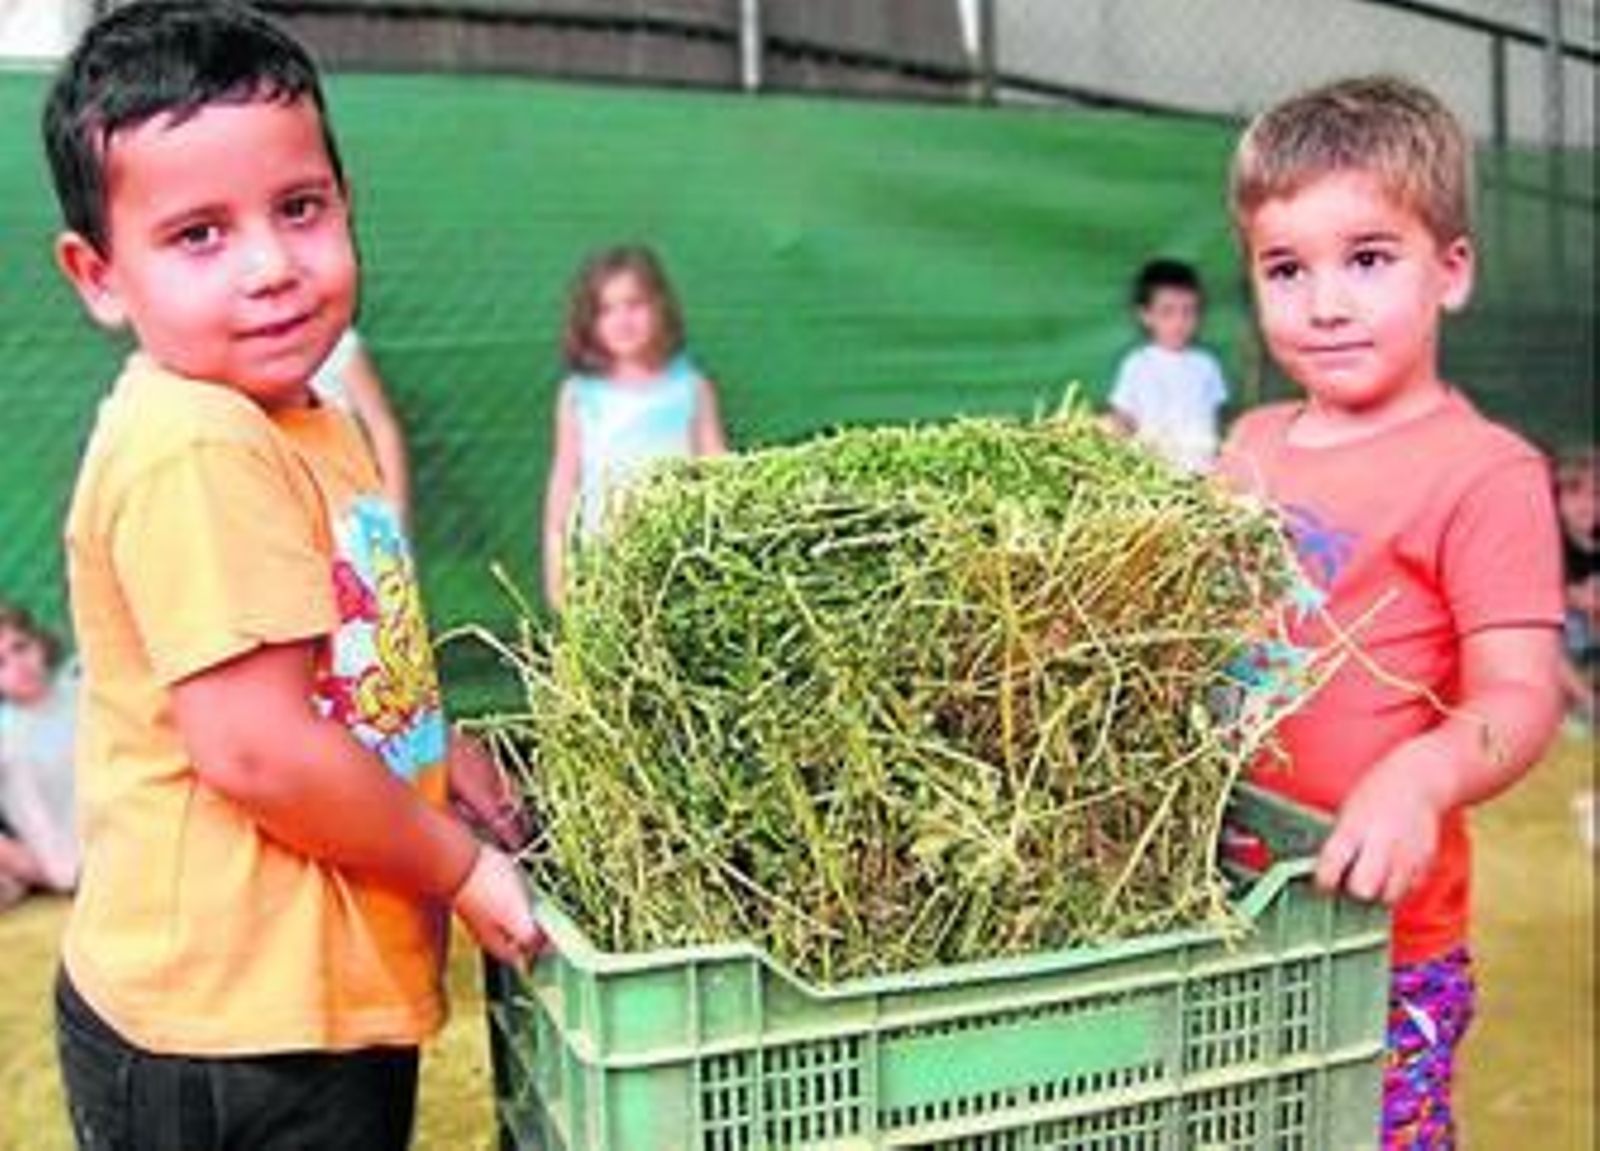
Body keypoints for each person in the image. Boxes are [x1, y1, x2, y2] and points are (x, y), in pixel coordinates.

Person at [42, 3, 539, 1146]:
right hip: (227, 1032)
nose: (271, 266)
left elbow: (337, 665)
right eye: (199, 235)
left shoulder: (306, 416)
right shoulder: (198, 443)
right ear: (100, 274)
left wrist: (431, 753)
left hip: (302, 1007)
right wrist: (459, 866)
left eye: (299, 209)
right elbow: (256, 746)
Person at [1219, 76, 1566, 1147]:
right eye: (1286, 269)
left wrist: (1420, 775)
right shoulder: (1250, 445)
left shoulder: (1483, 471)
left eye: (1367, 259)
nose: (1324, 303)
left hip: (1381, 936)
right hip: (1219, 912)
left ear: (1449, 270)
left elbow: (1521, 691)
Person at [541, 244, 728, 607]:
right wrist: (557, 572)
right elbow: (564, 483)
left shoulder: (691, 387)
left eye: (635, 304)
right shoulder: (578, 395)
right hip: (605, 564)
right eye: (606, 310)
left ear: (661, 306)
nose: (622, 320)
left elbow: (719, 467)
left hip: (680, 562)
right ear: (588, 321)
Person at [1105, 258, 1229, 474]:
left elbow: (1217, 417)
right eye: (1167, 312)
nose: (1178, 322)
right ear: (1145, 315)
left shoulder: (1206, 364)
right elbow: (1122, 417)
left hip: (1203, 468)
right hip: (1154, 470)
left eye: (1188, 311)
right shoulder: (1137, 364)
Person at [0, 602, 79, 909]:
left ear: (39, 642)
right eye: (0, 663)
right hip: (69, 869)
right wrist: (35, 868)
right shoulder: (5, 732)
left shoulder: (83, 688)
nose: (19, 666)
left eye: (20, 647)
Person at [312, 327, 412, 525]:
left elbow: (382, 427)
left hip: (347, 504)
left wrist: (396, 515)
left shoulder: (337, 341)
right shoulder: (239, 350)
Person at [1554, 449, 1598, 727]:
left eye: (1596, 495)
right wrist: (1572, 598)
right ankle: (1588, 705)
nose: (1587, 504)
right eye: (1574, 493)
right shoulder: (1550, 542)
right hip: (1566, 643)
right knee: (1543, 645)